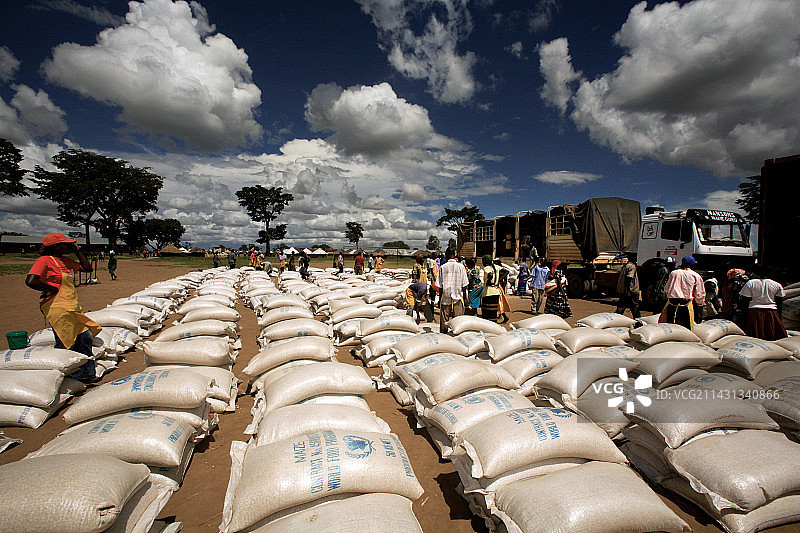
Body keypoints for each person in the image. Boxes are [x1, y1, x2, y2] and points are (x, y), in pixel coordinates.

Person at [25, 233, 101, 383]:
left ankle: (86, 374)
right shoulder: (44, 261)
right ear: (55, 247)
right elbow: (31, 280)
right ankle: (67, 377)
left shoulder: (65, 261)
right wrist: (50, 289)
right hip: (57, 307)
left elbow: (88, 268)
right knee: (66, 341)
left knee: (85, 337)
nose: (68, 246)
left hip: (71, 306)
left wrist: (77, 251)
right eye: (65, 244)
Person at [659, 256, 704, 330]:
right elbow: (699, 293)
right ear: (691, 265)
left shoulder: (674, 273)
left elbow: (666, 289)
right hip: (686, 305)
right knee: (685, 327)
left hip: (672, 303)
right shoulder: (695, 275)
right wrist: (700, 304)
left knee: (669, 326)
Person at [739, 270, 787, 340]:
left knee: (754, 336)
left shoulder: (751, 283)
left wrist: (745, 315)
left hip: (754, 312)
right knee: (772, 335)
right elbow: (779, 302)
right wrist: (779, 316)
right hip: (771, 312)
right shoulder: (776, 284)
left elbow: (745, 300)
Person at [437, 248, 469, 332]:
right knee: (457, 321)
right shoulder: (461, 267)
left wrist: (440, 299)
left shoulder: (442, 267)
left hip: (445, 298)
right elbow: (465, 285)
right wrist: (465, 299)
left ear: (446, 255)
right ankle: (456, 338)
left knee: (444, 320)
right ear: (454, 254)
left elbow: (440, 286)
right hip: (458, 297)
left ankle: (444, 337)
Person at [614, 253, 640, 319]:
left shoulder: (630, 266)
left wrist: (628, 291)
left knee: (634, 307)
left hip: (631, 291)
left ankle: (638, 320)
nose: (620, 261)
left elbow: (629, 278)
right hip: (625, 291)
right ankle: (617, 319)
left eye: (621, 259)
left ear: (626, 259)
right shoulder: (624, 267)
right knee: (621, 307)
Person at [480, 255, 501, 320]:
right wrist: (497, 281)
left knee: (486, 312)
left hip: (488, 292)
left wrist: (489, 280)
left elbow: (490, 274)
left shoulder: (487, 268)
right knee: (493, 312)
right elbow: (506, 271)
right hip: (496, 291)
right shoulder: (496, 267)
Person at [496, 259, 511, 324]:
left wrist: (499, 279)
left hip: (499, 287)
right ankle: (500, 315)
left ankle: (504, 316)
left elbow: (507, 272)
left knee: (499, 302)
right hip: (500, 287)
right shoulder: (497, 270)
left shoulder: (500, 269)